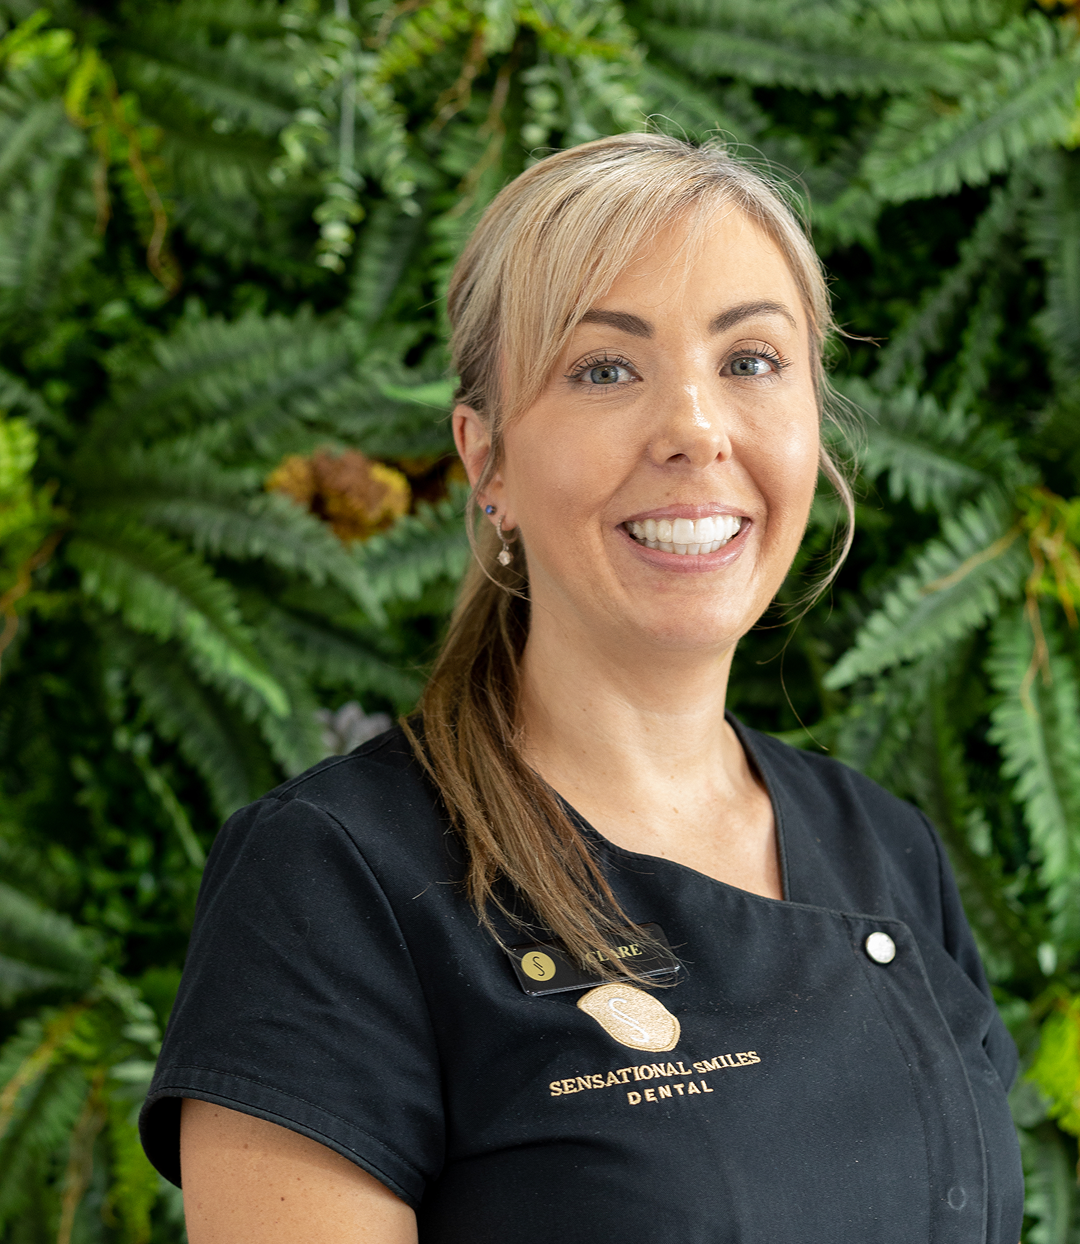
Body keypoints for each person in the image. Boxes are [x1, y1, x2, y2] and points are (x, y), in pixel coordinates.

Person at [139, 133, 1024, 1244]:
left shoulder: (886, 848)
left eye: (750, 360)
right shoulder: (335, 877)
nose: (695, 430)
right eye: (604, 369)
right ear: (487, 460)